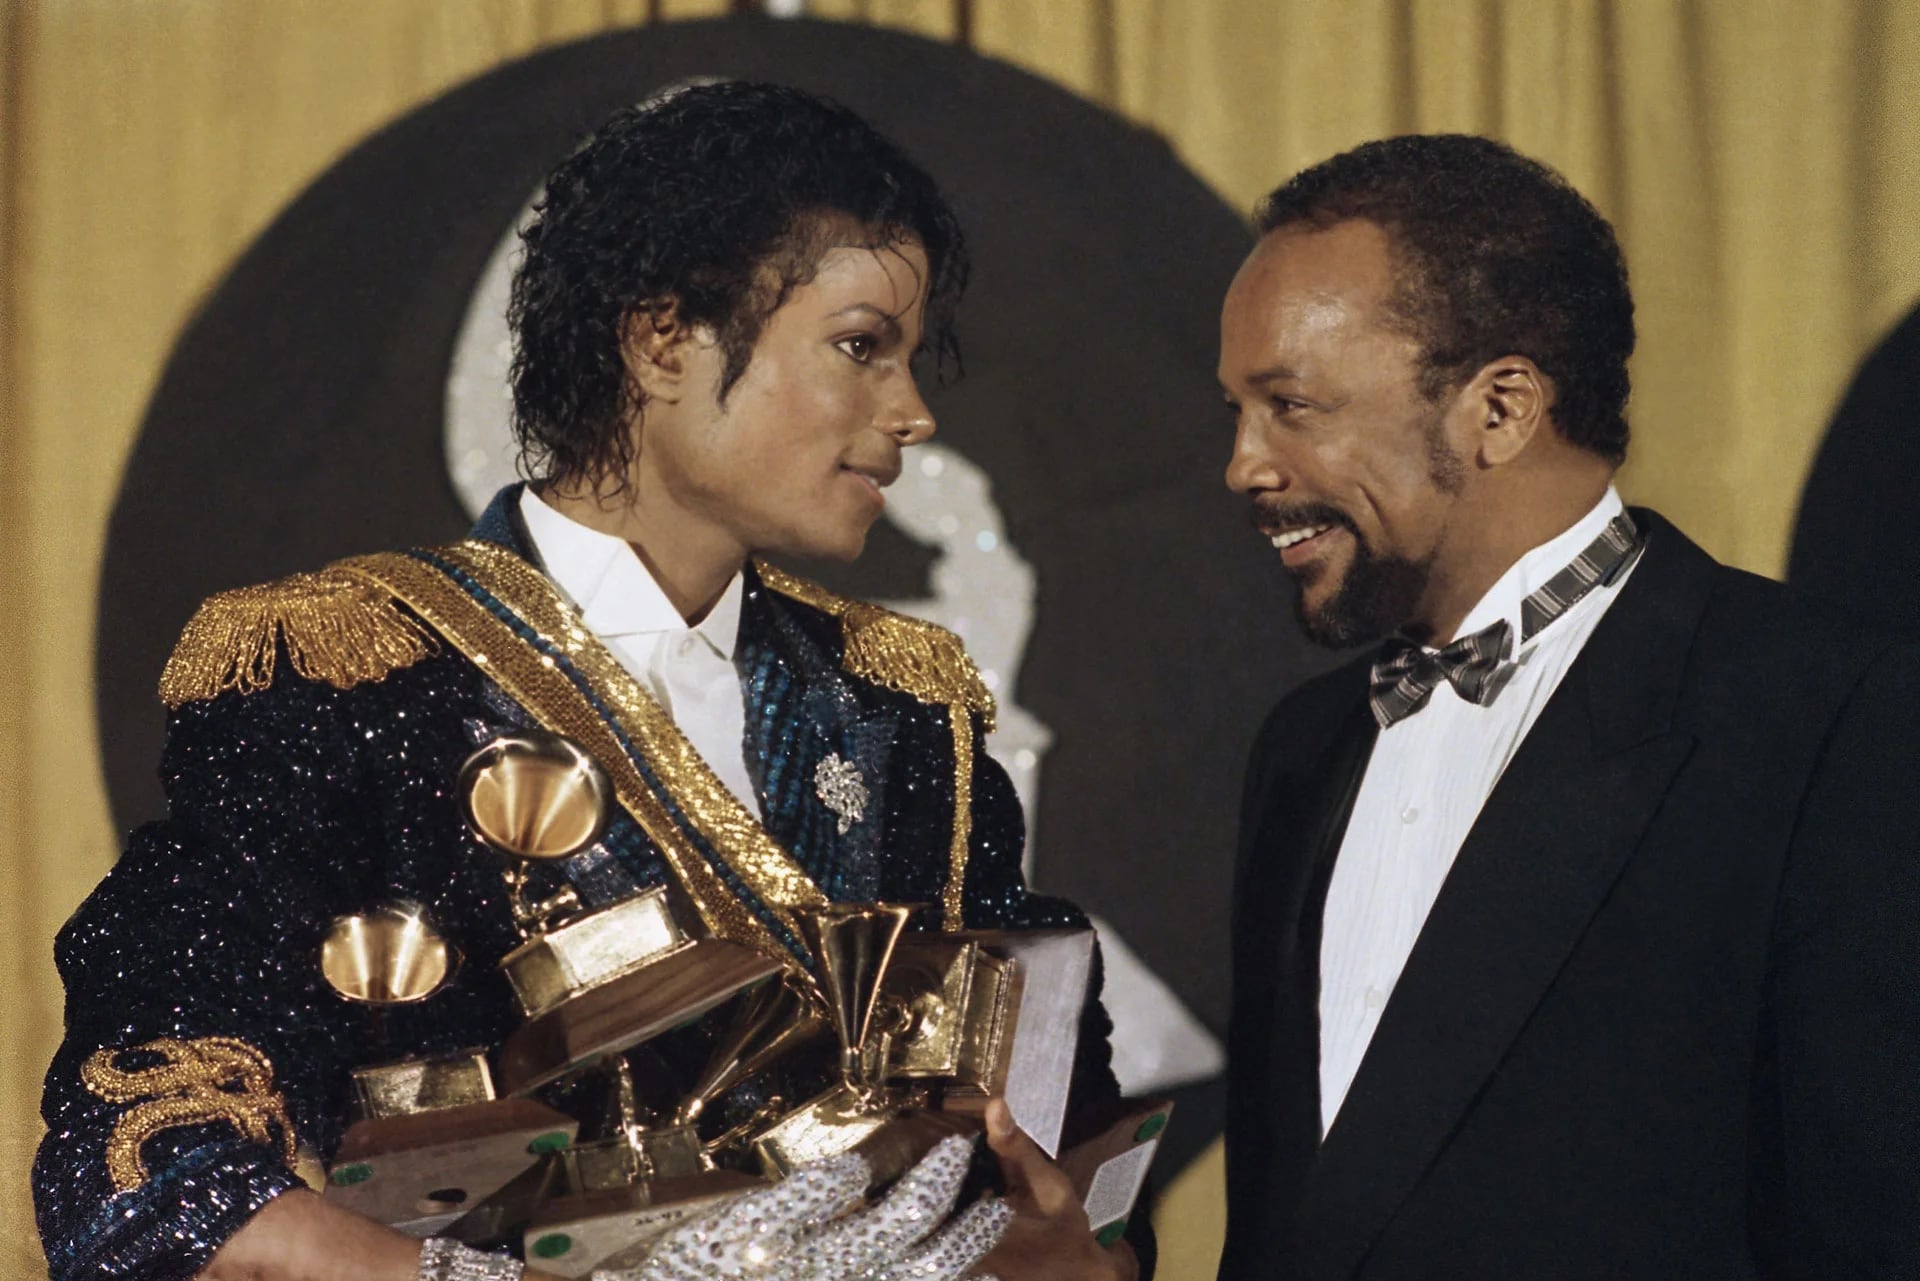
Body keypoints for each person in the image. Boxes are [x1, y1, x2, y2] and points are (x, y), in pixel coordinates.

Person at [35, 82, 1141, 1281]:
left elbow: (1073, 1160)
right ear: (663, 339)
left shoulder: (907, 712)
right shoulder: (345, 674)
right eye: (860, 347)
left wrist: (1069, 1245)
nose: (913, 414)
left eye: (910, 358)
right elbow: (150, 1158)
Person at [1216, 134, 1920, 1279]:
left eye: (1293, 406)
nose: (1244, 465)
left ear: (1499, 408)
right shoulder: (1302, 750)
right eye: (1240, 411)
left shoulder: (1833, 714)